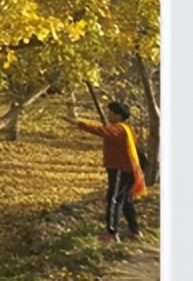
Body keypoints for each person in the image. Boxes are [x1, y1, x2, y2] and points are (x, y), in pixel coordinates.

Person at [63, 101, 147, 242]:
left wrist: (78, 123)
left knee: (114, 199)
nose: (108, 114)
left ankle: (112, 232)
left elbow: (100, 130)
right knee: (125, 200)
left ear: (118, 115)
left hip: (121, 169)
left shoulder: (119, 129)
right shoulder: (126, 129)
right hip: (125, 169)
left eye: (110, 112)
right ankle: (135, 231)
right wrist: (78, 120)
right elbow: (102, 128)